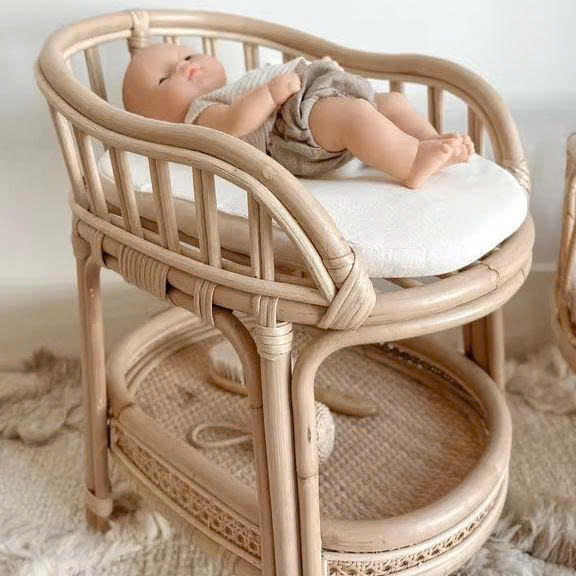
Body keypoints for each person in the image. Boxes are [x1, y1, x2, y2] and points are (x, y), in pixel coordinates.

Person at [123, 44, 474, 188]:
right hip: (291, 137)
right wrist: (270, 94)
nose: (184, 67)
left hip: (310, 110)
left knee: (392, 102)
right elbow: (233, 125)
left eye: (187, 57)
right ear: (159, 120)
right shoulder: (199, 115)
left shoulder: (236, 85)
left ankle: (429, 142)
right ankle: (411, 163)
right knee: (354, 116)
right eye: (165, 78)